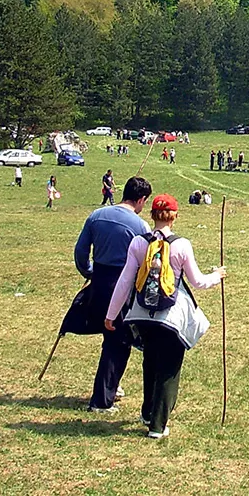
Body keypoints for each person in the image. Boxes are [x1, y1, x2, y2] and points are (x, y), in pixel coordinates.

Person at [104, 193, 225, 438]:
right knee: (169, 368)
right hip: (171, 318)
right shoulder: (182, 245)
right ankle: (157, 425)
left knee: (150, 362)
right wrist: (218, 276)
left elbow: (125, 281)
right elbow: (198, 281)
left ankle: (147, 412)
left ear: (152, 215)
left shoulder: (139, 243)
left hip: (142, 316)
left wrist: (111, 314)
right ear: (175, 217)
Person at [75, 177, 154, 413]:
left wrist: (89, 271)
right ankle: (101, 401)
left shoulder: (96, 216)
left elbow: (81, 251)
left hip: (97, 282)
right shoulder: (141, 227)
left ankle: (112, 385)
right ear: (141, 199)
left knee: (109, 337)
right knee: (117, 343)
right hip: (121, 286)